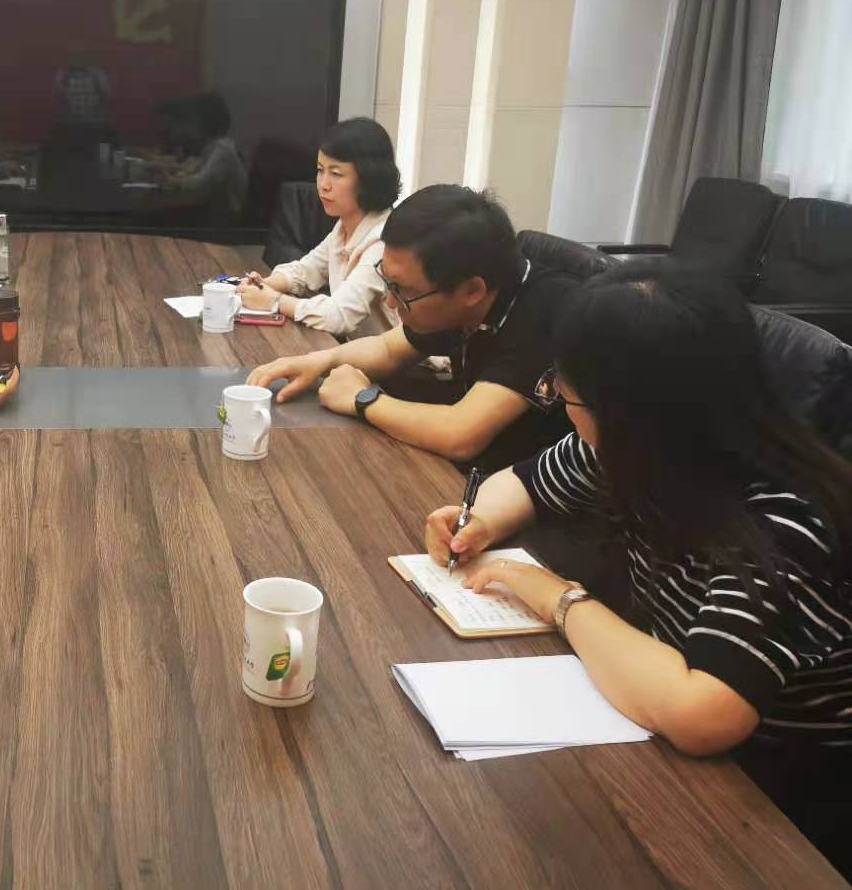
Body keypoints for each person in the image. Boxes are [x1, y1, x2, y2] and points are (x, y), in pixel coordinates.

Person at [424, 260, 852, 877]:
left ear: (631, 410)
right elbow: (522, 484)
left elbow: (703, 714)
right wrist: (479, 522)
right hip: (659, 707)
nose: (559, 401)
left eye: (566, 391)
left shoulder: (785, 518)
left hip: (777, 789)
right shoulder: (636, 447)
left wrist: (557, 599)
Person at [246, 185, 578, 469]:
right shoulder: (464, 291)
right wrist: (317, 362)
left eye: (403, 291)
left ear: (472, 291)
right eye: (388, 283)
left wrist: (362, 399)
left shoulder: (545, 312)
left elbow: (461, 435)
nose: (391, 302)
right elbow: (389, 349)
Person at [236, 117, 400, 336]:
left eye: (336, 174)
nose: (323, 185)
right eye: (320, 170)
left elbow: (339, 316)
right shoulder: (344, 226)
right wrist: (265, 285)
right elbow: (306, 270)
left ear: (369, 179)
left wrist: (273, 300)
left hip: (397, 358)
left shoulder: (383, 240)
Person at [163, 92, 248, 222]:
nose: (190, 124)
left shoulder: (222, 149)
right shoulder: (213, 145)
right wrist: (173, 177)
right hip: (219, 214)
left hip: (231, 220)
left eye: (193, 119)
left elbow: (200, 183)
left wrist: (174, 181)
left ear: (205, 121)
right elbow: (195, 170)